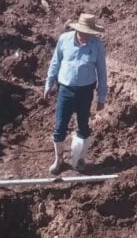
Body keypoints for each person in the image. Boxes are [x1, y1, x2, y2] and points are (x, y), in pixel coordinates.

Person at [44, 12, 108, 175]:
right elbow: (55, 63)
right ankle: (59, 159)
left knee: (83, 127)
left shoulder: (97, 44)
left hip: (86, 92)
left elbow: (101, 71)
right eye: (84, 33)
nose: (86, 37)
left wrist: (101, 97)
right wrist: (49, 84)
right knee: (60, 127)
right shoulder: (64, 40)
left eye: (90, 34)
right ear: (78, 30)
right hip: (65, 90)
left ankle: (79, 159)